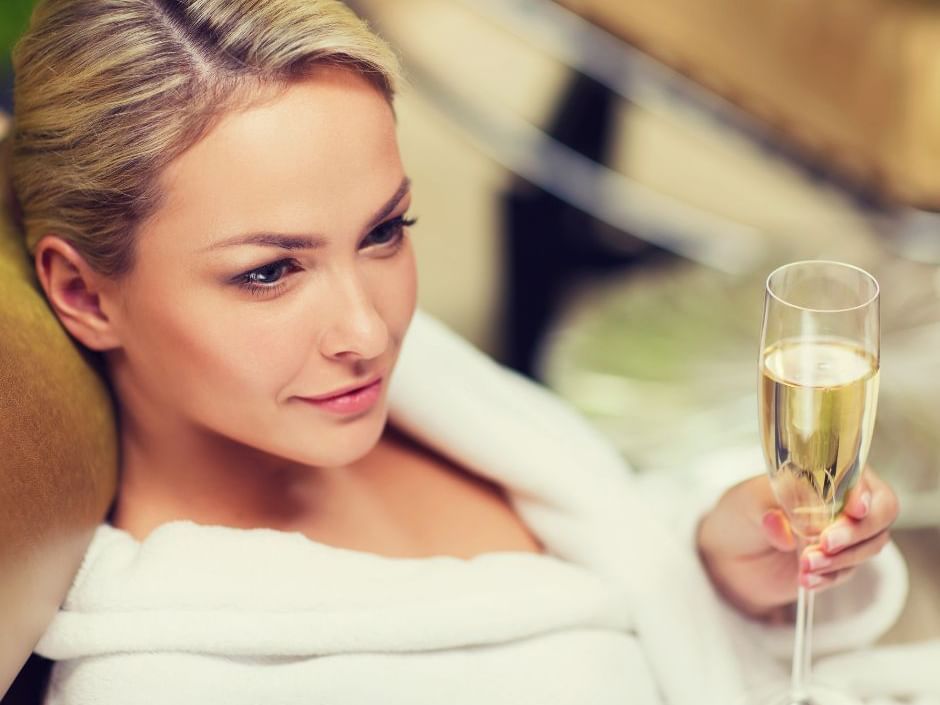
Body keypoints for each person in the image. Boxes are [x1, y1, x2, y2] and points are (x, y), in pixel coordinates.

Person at [3, 1, 904, 703]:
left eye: (386, 229)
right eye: (271, 271)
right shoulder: (175, 677)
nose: (371, 330)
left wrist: (717, 570)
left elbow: (624, 574)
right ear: (85, 293)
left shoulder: (422, 391)